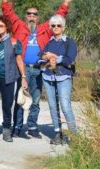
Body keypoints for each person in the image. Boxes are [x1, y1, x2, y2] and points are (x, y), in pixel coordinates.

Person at [0, 0, 73, 139]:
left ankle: (32, 126)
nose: (31, 16)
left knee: (36, 99)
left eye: (34, 14)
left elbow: (57, 18)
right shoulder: (19, 26)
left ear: (38, 17)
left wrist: (65, 3)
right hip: (23, 69)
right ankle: (18, 127)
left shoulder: (44, 29)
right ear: (25, 16)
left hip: (40, 68)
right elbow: (9, 15)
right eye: (29, 14)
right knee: (21, 98)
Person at [39, 14, 78, 145]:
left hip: (63, 77)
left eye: (58, 25)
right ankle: (57, 133)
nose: (55, 27)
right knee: (52, 106)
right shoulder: (48, 43)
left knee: (65, 106)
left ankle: (74, 136)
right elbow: (40, 58)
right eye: (53, 25)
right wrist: (45, 58)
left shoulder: (69, 42)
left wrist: (55, 57)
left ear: (63, 27)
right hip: (48, 76)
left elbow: (70, 59)